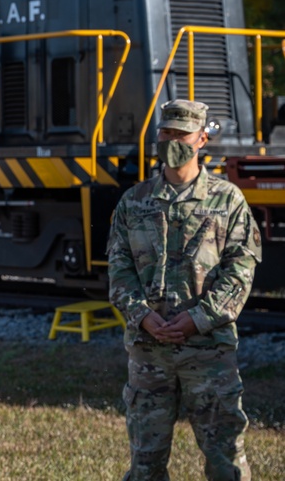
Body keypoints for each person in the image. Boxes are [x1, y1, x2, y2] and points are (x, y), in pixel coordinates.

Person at [107, 99, 261, 481]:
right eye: (166, 133)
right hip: (149, 353)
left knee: (225, 462)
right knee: (145, 466)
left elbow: (240, 272)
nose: (172, 140)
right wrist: (143, 317)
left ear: (202, 139)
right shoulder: (134, 202)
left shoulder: (228, 201)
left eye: (181, 134)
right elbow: (119, 269)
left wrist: (197, 319)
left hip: (208, 354)